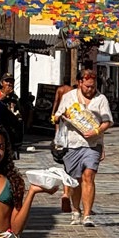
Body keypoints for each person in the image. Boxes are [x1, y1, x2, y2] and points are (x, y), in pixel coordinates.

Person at [54, 70, 113, 227]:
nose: (90, 89)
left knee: (89, 176)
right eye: (87, 86)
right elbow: (57, 116)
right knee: (76, 180)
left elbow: (107, 121)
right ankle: (76, 210)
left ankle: (87, 215)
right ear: (80, 83)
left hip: (93, 144)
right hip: (72, 144)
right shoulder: (68, 97)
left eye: (93, 87)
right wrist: (63, 116)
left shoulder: (101, 99)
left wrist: (96, 131)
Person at [52, 79, 74, 213]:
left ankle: (66, 193)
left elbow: (55, 102)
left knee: (67, 166)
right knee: (80, 171)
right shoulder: (73, 92)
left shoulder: (60, 90)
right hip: (73, 129)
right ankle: (80, 202)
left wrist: (53, 113)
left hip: (61, 124)